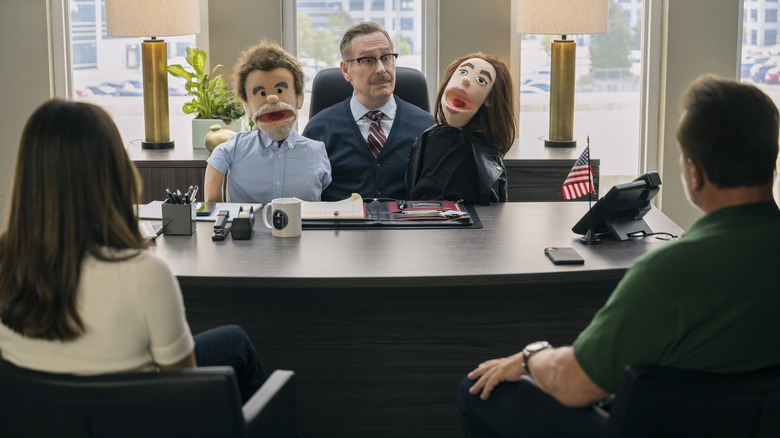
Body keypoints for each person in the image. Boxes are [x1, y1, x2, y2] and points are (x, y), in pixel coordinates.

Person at [458, 74, 780, 437]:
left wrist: (532, 356)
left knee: (478, 391)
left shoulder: (668, 272)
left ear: (695, 173)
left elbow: (573, 384)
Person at [0, 99, 267, 403]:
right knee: (235, 343)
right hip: (131, 418)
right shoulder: (145, 274)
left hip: (43, 420)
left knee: (230, 341)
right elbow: (184, 393)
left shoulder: (5, 259)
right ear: (113, 172)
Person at [302, 21, 434, 201]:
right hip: (341, 228)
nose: (381, 69)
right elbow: (305, 199)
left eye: (386, 57)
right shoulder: (318, 129)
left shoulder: (427, 128)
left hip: (406, 228)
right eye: (368, 60)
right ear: (346, 70)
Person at [205, 40, 331, 204]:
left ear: (299, 97)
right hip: (247, 229)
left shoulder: (317, 152)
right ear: (247, 106)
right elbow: (211, 202)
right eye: (261, 93)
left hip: (303, 229)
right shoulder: (233, 148)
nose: (272, 98)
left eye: (280, 90)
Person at [405, 53, 516, 204]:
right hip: (424, 220)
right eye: (463, 72)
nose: (465, 79)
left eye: (481, 80)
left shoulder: (483, 150)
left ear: (491, 98)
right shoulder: (430, 138)